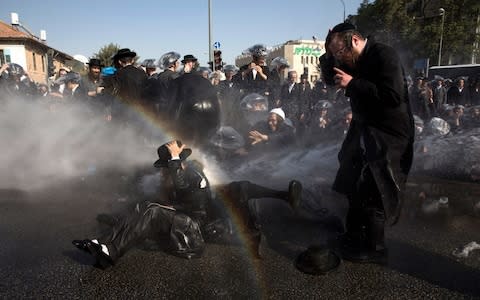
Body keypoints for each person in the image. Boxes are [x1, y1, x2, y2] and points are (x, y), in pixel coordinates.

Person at [72, 140, 302, 268]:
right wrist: (118, 219)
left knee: (152, 211)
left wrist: (173, 161)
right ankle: (102, 244)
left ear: (178, 163)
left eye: (168, 165)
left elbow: (187, 196)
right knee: (146, 207)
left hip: (193, 233)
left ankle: (110, 250)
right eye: (165, 166)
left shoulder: (192, 175)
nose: (164, 171)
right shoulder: (173, 178)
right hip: (185, 224)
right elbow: (160, 202)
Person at [324, 23, 414, 264]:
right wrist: (328, 50)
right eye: (336, 55)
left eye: (341, 52)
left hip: (389, 133)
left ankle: (376, 247)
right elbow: (328, 76)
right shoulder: (349, 58)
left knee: (375, 187)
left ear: (354, 40)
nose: (340, 59)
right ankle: (353, 235)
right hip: (362, 128)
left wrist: (353, 83)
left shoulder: (384, 54)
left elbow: (392, 96)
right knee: (351, 178)